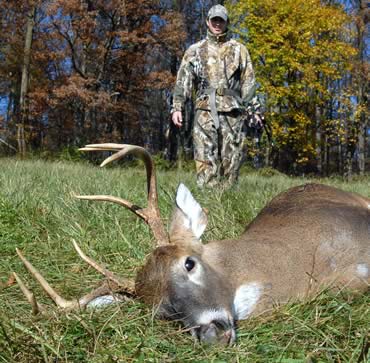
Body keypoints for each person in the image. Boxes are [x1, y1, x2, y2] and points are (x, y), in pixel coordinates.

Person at [171, 4, 261, 187]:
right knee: (205, 161)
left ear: (227, 22)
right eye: (214, 20)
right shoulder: (195, 51)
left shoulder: (239, 50)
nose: (217, 24)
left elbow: (248, 81)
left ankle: (228, 207)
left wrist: (255, 110)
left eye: (221, 20)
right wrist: (177, 107)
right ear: (207, 22)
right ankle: (207, 203)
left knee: (232, 162)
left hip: (233, 113)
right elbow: (183, 81)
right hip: (204, 112)